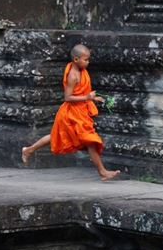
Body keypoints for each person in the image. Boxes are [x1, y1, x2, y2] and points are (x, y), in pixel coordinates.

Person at [21, 44, 120, 181]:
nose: (88, 62)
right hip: (71, 114)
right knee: (90, 141)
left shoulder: (80, 70)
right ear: (76, 59)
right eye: (85, 60)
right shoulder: (73, 76)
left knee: (55, 136)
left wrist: (94, 98)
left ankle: (29, 150)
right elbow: (67, 97)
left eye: (88, 59)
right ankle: (102, 172)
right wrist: (87, 97)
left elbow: (81, 92)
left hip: (80, 112)